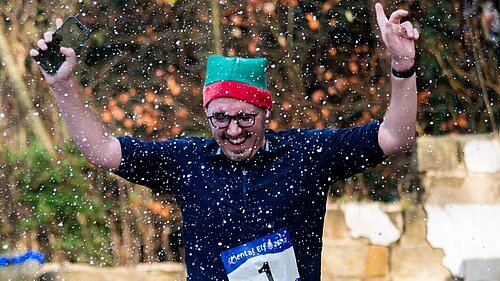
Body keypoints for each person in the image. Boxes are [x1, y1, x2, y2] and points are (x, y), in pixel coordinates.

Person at [30, 2, 419, 280]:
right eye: (220, 118)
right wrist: (63, 86)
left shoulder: (305, 155)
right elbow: (102, 151)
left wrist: (403, 66)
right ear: (207, 116)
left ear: (266, 113)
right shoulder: (186, 161)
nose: (233, 131)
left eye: (245, 117)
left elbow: (394, 136)